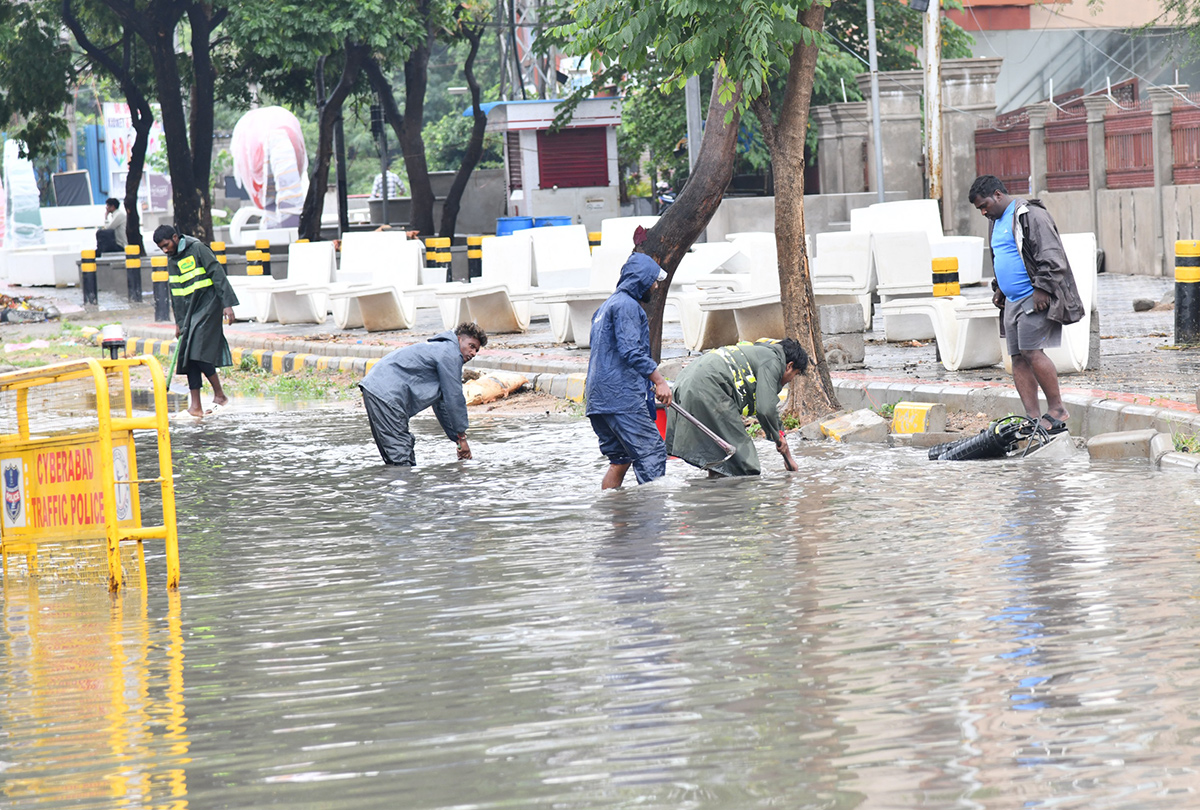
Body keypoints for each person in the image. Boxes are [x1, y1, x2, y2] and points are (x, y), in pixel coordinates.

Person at [969, 175, 1085, 434]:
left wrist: (1042, 289)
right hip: (1011, 301)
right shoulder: (995, 221)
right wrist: (999, 287)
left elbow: (1052, 256)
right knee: (1018, 359)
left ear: (998, 194)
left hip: (1033, 297)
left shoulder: (1029, 215)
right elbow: (1004, 255)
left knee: (1033, 352)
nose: (983, 211)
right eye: (979, 209)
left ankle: (1057, 410)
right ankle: (1033, 419)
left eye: (984, 205)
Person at [585, 250, 672, 489]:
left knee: (620, 461)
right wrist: (659, 381)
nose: (655, 287)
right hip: (620, 397)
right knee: (652, 452)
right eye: (653, 281)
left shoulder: (603, 309)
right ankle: (653, 523)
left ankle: (617, 520)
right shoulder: (627, 306)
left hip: (597, 401)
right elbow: (631, 351)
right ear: (641, 280)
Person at [665, 338, 808, 476]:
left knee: (721, 453)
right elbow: (765, 408)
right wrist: (780, 440)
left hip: (685, 380)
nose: (790, 380)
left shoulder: (760, 352)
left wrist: (780, 437)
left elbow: (769, 408)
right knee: (745, 464)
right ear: (789, 366)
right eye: (794, 375)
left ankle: (714, 491)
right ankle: (736, 497)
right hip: (708, 386)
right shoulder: (773, 362)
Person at [358, 322, 487, 466]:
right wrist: (462, 439)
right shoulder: (450, 354)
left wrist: (457, 439)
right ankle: (403, 484)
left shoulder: (442, 350)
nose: (474, 353)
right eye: (471, 346)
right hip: (386, 393)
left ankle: (398, 483)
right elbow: (454, 398)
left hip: (377, 390)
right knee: (400, 454)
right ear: (459, 339)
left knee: (394, 452)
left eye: (477, 350)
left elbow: (443, 404)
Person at [153, 224, 239, 418]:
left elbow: (217, 274)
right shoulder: (172, 259)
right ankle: (196, 407)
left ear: (175, 237)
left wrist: (227, 304)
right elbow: (176, 292)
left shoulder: (197, 248)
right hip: (190, 311)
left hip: (209, 304)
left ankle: (220, 396)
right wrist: (179, 322)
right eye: (161, 248)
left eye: (167, 245)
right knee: (188, 355)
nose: (165, 250)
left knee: (197, 352)